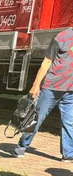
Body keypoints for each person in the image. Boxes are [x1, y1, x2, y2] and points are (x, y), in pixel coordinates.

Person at [13, 27, 73, 161]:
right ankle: (22, 146)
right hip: (51, 87)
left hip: (70, 90)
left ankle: (69, 154)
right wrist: (35, 85)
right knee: (36, 118)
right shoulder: (62, 37)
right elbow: (47, 62)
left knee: (70, 122)